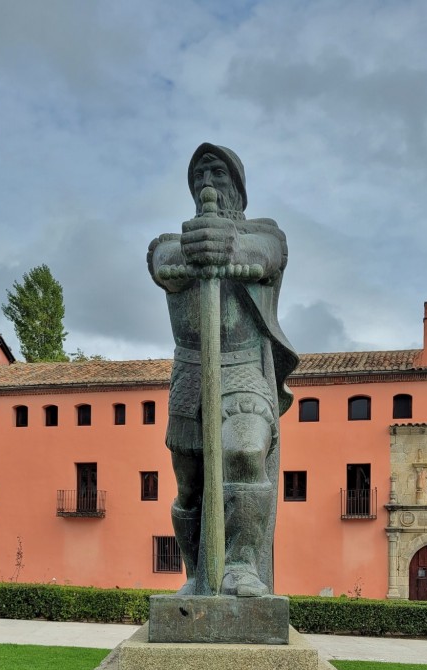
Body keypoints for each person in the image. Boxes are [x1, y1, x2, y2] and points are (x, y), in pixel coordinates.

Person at [147, 143, 298, 597]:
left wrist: (230, 245)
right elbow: (162, 263)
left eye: (217, 171)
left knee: (246, 453)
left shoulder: (266, 234)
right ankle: (198, 576)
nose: (206, 181)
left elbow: (267, 254)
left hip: (244, 368)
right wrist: (196, 249)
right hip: (191, 372)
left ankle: (241, 566)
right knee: (190, 486)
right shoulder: (170, 243)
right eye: (198, 173)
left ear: (237, 186)